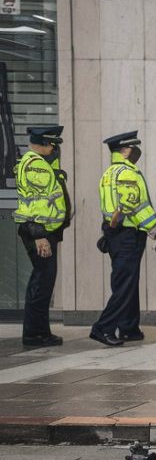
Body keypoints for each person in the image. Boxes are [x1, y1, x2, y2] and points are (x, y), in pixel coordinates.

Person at [91, 131, 156, 348]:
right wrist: (154, 228)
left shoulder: (109, 172)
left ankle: (129, 328)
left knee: (127, 283)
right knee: (124, 286)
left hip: (114, 233)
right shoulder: (127, 172)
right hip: (128, 235)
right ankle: (103, 328)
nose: (137, 151)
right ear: (127, 149)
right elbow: (133, 205)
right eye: (134, 147)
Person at [14, 125, 71, 347]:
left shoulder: (35, 163)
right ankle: (35, 333)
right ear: (46, 143)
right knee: (42, 282)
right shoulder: (35, 166)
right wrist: (39, 235)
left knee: (42, 281)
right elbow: (34, 203)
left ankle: (38, 331)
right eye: (54, 144)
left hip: (42, 230)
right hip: (39, 231)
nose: (55, 149)